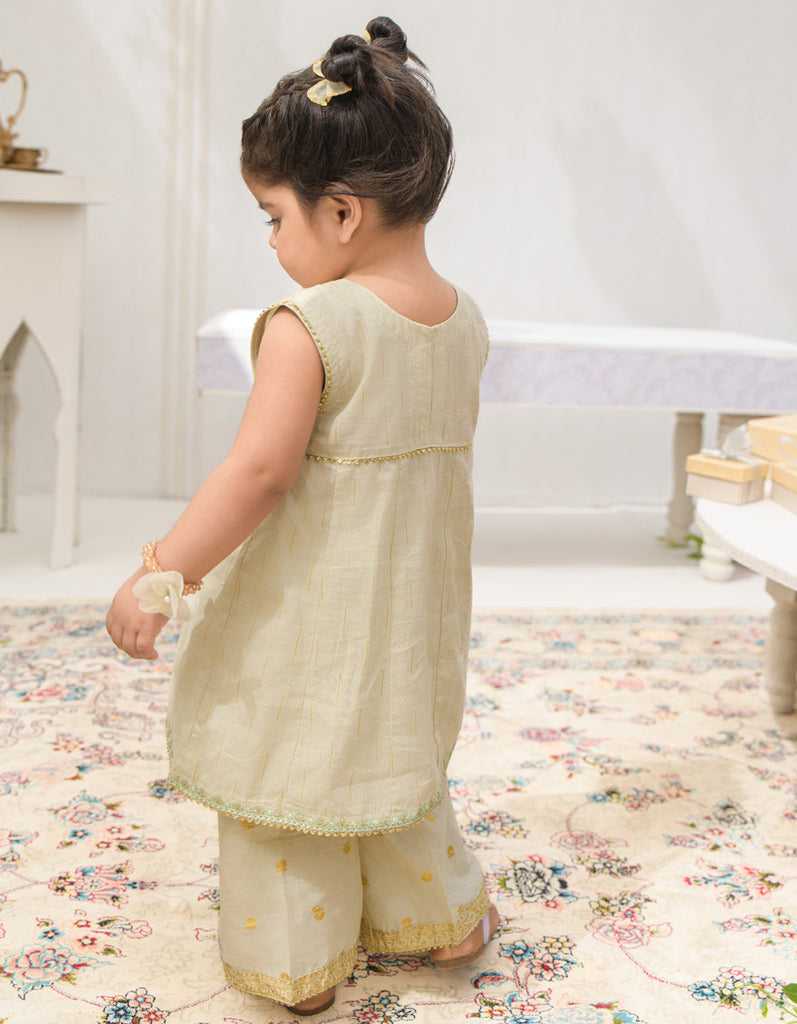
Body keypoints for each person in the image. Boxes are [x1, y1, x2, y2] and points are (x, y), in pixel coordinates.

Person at [106, 15, 497, 1017]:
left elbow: (258, 473)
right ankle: (440, 917)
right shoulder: (461, 319)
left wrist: (162, 573)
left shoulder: (312, 326)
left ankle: (298, 962)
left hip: (314, 614)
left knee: (284, 757)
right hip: (410, 617)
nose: (273, 242)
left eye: (273, 217)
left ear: (342, 212)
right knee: (392, 757)